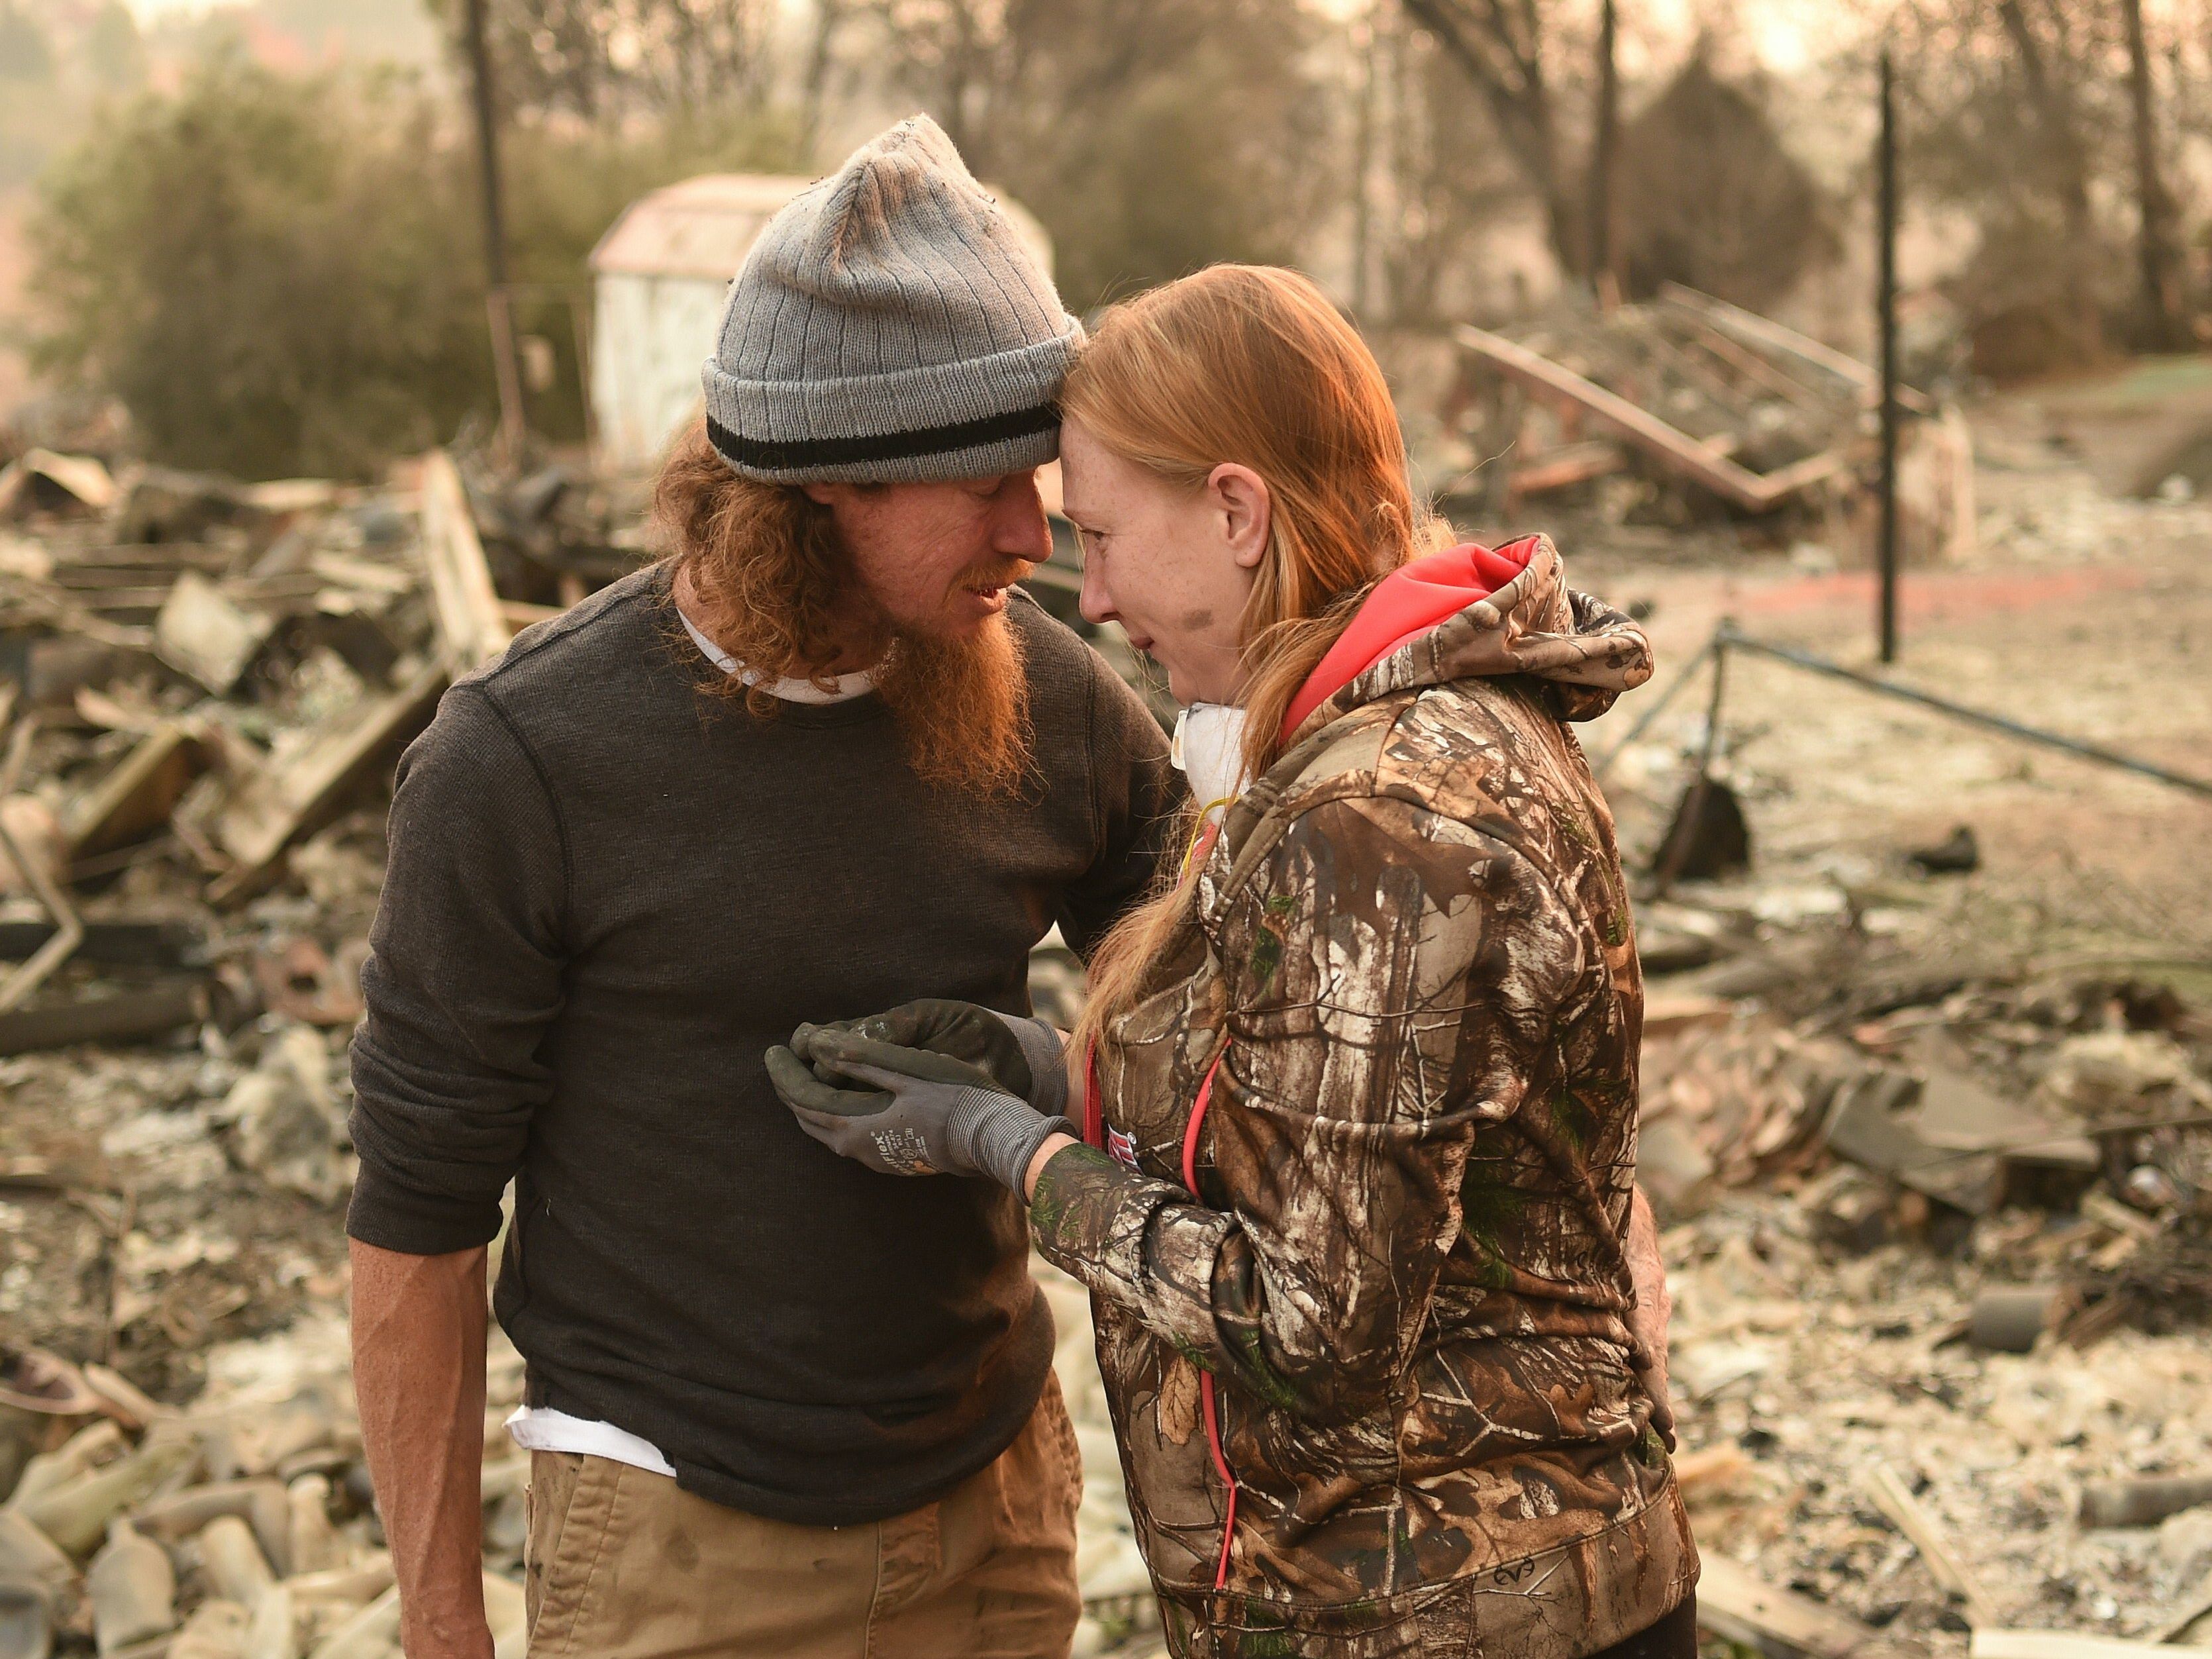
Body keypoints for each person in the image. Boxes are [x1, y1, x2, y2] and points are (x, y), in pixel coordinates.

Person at [770, 264, 1697, 1659]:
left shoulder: (1371, 817)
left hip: (1434, 1612)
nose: (1085, 599)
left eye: (1100, 535)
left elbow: (1310, 1319)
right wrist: (1053, 1067)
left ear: (1234, 509)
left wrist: (1013, 1152)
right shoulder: (1384, 742)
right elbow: (1356, 1133)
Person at [344, 116, 1176, 1658]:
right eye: (982, 483)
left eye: (1039, 473)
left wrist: (1043, 1079)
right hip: (678, 1541)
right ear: (814, 495)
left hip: (992, 1505)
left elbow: (1231, 1011)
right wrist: (441, 1622)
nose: (1035, 529)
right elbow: (416, 1221)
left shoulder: (1050, 696)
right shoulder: (522, 761)